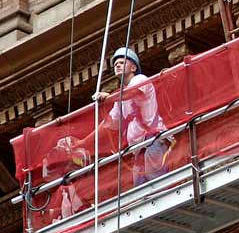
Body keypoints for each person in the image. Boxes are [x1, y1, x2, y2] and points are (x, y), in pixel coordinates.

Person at [55, 47, 171, 188]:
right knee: (141, 188)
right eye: (116, 64)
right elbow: (108, 124)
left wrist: (109, 98)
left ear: (133, 67)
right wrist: (83, 143)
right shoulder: (120, 99)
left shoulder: (140, 80)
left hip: (153, 141)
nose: (117, 65)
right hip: (139, 149)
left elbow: (132, 92)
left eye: (122, 62)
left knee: (157, 182)